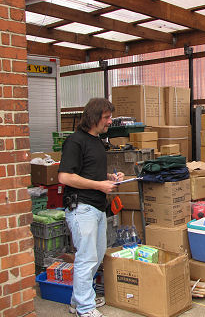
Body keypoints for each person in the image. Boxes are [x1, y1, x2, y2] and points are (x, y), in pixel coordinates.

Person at [58, 98, 124, 317]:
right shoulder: (75, 141)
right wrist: (99, 185)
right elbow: (65, 176)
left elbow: (88, 171)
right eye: (106, 118)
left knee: (96, 255)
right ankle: (85, 309)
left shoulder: (96, 141)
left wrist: (110, 177)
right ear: (94, 117)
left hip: (97, 207)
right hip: (81, 208)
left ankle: (78, 301)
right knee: (87, 257)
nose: (110, 121)